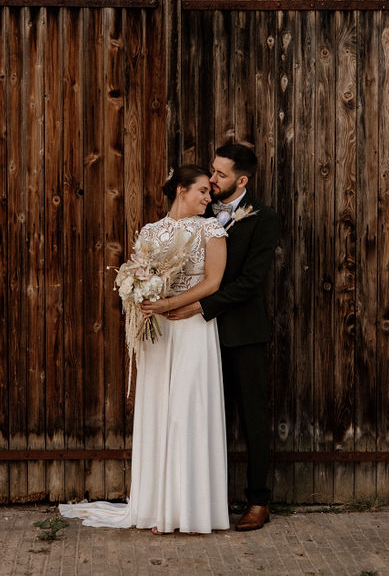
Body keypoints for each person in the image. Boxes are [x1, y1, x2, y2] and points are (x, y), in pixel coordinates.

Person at [59, 165, 231, 534]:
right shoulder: (151, 232)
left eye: (209, 192)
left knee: (187, 411)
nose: (208, 197)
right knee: (158, 412)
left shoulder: (210, 229)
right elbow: (138, 274)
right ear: (181, 190)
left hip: (193, 330)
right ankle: (157, 508)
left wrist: (170, 305)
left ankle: (189, 510)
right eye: (202, 190)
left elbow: (214, 283)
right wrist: (139, 295)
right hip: (158, 334)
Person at [165, 143, 280, 531]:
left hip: (240, 331)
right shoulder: (203, 208)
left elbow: (250, 282)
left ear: (242, 180)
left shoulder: (264, 218)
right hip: (196, 337)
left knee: (251, 416)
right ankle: (203, 500)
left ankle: (258, 502)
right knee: (201, 417)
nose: (211, 180)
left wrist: (201, 307)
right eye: (211, 173)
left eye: (220, 175)